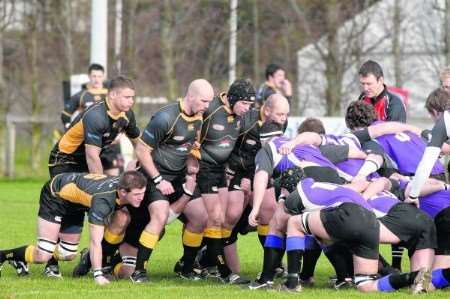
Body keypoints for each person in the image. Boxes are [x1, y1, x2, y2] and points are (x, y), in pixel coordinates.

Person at [44, 76, 140, 277]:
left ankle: (93, 257)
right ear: (112, 95)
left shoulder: (127, 114)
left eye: (133, 97)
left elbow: (139, 143)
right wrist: (101, 187)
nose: (132, 101)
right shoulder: (96, 115)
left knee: (110, 210)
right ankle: (50, 262)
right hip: (65, 161)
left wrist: (136, 163)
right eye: (128, 97)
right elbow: (91, 155)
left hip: (88, 161)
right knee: (71, 206)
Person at [124, 79, 214, 283]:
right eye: (204, 101)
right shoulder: (165, 117)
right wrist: (157, 179)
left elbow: (190, 147)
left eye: (209, 102)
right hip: (155, 175)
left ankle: (187, 269)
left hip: (179, 176)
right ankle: (139, 272)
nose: (207, 106)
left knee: (200, 217)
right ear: (190, 96)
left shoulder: (199, 117)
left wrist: (192, 162)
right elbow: (141, 150)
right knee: (160, 216)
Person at [0, 171, 147, 286]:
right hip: (55, 196)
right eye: (137, 194)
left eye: (143, 193)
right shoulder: (102, 201)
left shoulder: (125, 184)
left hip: (75, 203)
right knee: (43, 255)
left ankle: (20, 259)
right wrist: (98, 275)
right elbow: (95, 241)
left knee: (68, 254)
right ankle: (4, 255)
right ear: (122, 192)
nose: (141, 197)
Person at [184, 79, 255, 281]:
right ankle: (224, 272)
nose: (247, 109)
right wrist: (191, 162)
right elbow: (189, 131)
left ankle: (196, 262)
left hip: (220, 170)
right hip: (203, 167)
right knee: (213, 217)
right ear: (231, 99)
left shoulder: (243, 115)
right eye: (244, 104)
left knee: (222, 220)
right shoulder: (210, 109)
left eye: (250, 105)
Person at [61, 63, 108, 129]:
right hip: (87, 131)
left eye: (99, 76)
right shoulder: (81, 95)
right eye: (94, 76)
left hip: (109, 132)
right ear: (89, 76)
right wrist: (68, 127)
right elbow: (65, 114)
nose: (97, 80)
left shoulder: (111, 94)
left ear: (103, 77)